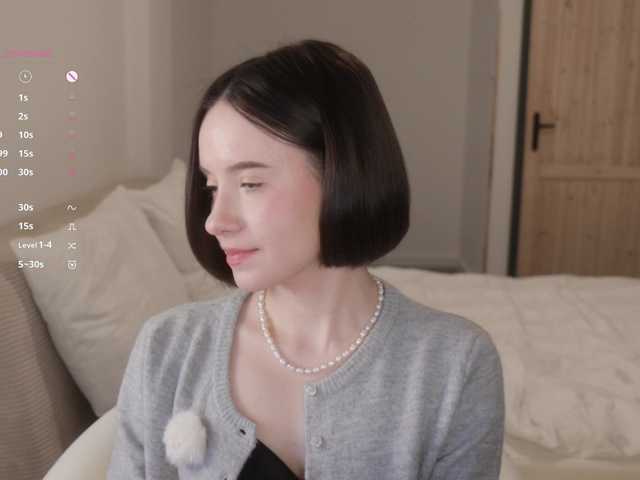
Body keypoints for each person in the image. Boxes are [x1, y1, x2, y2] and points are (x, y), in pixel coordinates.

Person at [107, 38, 504, 480]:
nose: (215, 221)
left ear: (343, 173)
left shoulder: (455, 365)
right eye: (212, 187)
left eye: (250, 184)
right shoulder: (165, 349)